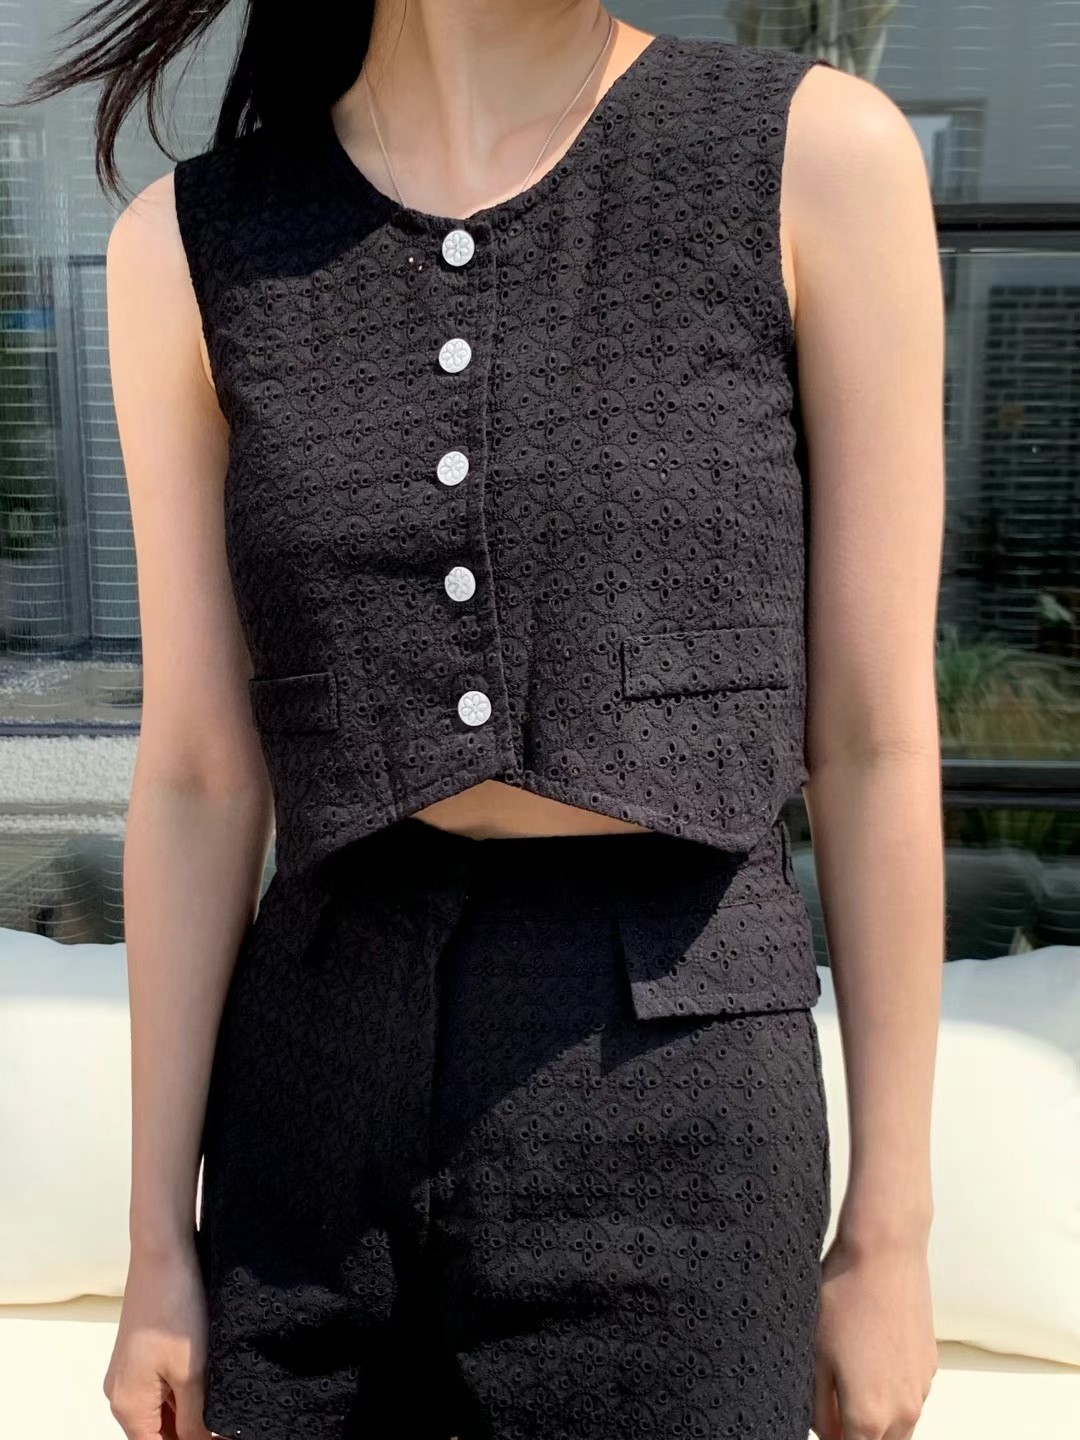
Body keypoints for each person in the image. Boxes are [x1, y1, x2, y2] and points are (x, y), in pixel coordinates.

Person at [22, 3, 945, 1438]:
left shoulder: (814, 158)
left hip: (680, 1086)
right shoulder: (190, 245)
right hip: (307, 1099)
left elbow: (875, 740)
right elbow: (200, 772)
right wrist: (157, 1241)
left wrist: (891, 1232)